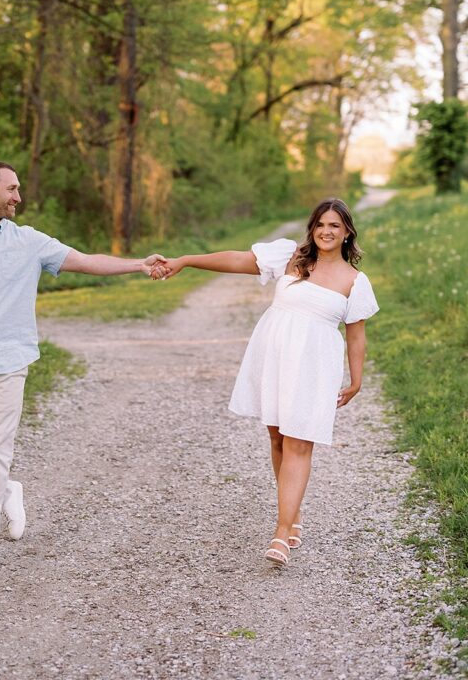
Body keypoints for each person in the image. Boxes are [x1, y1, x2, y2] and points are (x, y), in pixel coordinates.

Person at [0, 161, 166, 564]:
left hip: (11, 360)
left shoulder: (29, 241)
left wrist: (138, 264)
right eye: (11, 188)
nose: (19, 196)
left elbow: (87, 261)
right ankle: (6, 490)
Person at [151, 197, 378, 567]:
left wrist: (356, 380)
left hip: (315, 364)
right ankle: (293, 515)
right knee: (277, 436)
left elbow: (357, 336)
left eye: (334, 225)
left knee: (300, 441)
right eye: (321, 224)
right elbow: (237, 259)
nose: (326, 231)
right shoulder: (291, 258)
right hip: (274, 356)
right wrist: (186, 260)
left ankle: (281, 532)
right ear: (312, 228)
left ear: (347, 232)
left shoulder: (355, 281)